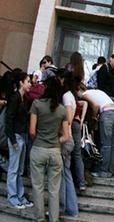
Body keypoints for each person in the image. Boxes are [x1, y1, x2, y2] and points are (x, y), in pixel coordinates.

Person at [29, 77, 70, 222]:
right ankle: (54, 219)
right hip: (55, 151)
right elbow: (66, 136)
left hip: (39, 149)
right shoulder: (62, 110)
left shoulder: (37, 104)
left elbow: (32, 131)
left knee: (37, 187)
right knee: (54, 189)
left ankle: (39, 218)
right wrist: (55, 141)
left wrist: (41, 139)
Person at [5, 71, 33, 209]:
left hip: (22, 135)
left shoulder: (24, 98)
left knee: (19, 169)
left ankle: (20, 196)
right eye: (28, 81)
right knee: (14, 169)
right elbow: (8, 119)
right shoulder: (15, 98)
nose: (30, 84)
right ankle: (13, 197)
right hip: (16, 136)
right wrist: (12, 139)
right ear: (21, 82)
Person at [81, 88, 114, 178]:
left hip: (106, 114)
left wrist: (94, 117)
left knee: (106, 144)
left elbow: (95, 105)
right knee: (112, 145)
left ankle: (103, 171)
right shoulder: (97, 91)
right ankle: (110, 170)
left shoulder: (85, 94)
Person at [60, 72, 79, 217]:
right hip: (69, 139)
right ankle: (72, 208)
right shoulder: (71, 96)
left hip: (65, 139)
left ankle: (63, 207)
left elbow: (68, 119)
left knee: (62, 175)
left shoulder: (66, 96)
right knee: (66, 174)